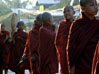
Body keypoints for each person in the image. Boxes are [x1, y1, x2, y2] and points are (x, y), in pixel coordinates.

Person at [67, 0, 99, 73]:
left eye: (96, 5)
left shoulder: (97, 24)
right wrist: (72, 67)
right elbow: (72, 48)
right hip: (82, 65)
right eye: (92, 5)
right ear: (83, 8)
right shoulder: (77, 25)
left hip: (96, 63)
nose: (96, 7)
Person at [55, 6, 75, 74]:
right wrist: (62, 50)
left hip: (75, 51)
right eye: (64, 12)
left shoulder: (77, 24)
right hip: (64, 53)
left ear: (74, 12)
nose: (66, 13)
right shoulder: (62, 24)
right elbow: (57, 41)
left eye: (68, 11)